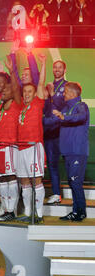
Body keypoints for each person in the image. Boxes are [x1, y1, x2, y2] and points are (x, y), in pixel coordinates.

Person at [50, 82, 89, 222]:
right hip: (67, 152)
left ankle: (81, 212)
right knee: (72, 182)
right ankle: (76, 211)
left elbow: (81, 117)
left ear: (72, 94)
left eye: (65, 92)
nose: (64, 94)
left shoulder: (81, 106)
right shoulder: (66, 108)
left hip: (77, 151)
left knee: (75, 181)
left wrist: (63, 117)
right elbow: (54, 114)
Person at [16, 53, 48, 223]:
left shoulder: (37, 103)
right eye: (25, 92)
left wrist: (43, 63)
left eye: (30, 91)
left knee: (36, 181)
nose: (27, 94)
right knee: (24, 181)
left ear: (35, 93)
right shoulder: (22, 106)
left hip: (34, 146)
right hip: (21, 148)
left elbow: (41, 82)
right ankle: (28, 213)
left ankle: (39, 214)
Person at [0, 55, 22, 222]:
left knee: (11, 177)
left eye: (6, 90)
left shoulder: (17, 104)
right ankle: (5, 208)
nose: (3, 92)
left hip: (10, 146)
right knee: (1, 178)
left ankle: (12, 210)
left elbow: (17, 89)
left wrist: (12, 70)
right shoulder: (0, 107)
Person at [43, 60, 67, 205]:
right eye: (55, 67)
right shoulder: (48, 86)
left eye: (60, 67)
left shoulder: (67, 87)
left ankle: (75, 193)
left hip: (62, 132)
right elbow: (46, 109)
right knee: (52, 164)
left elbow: (63, 110)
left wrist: (53, 96)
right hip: (49, 132)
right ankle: (57, 194)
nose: (57, 70)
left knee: (69, 163)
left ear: (64, 70)